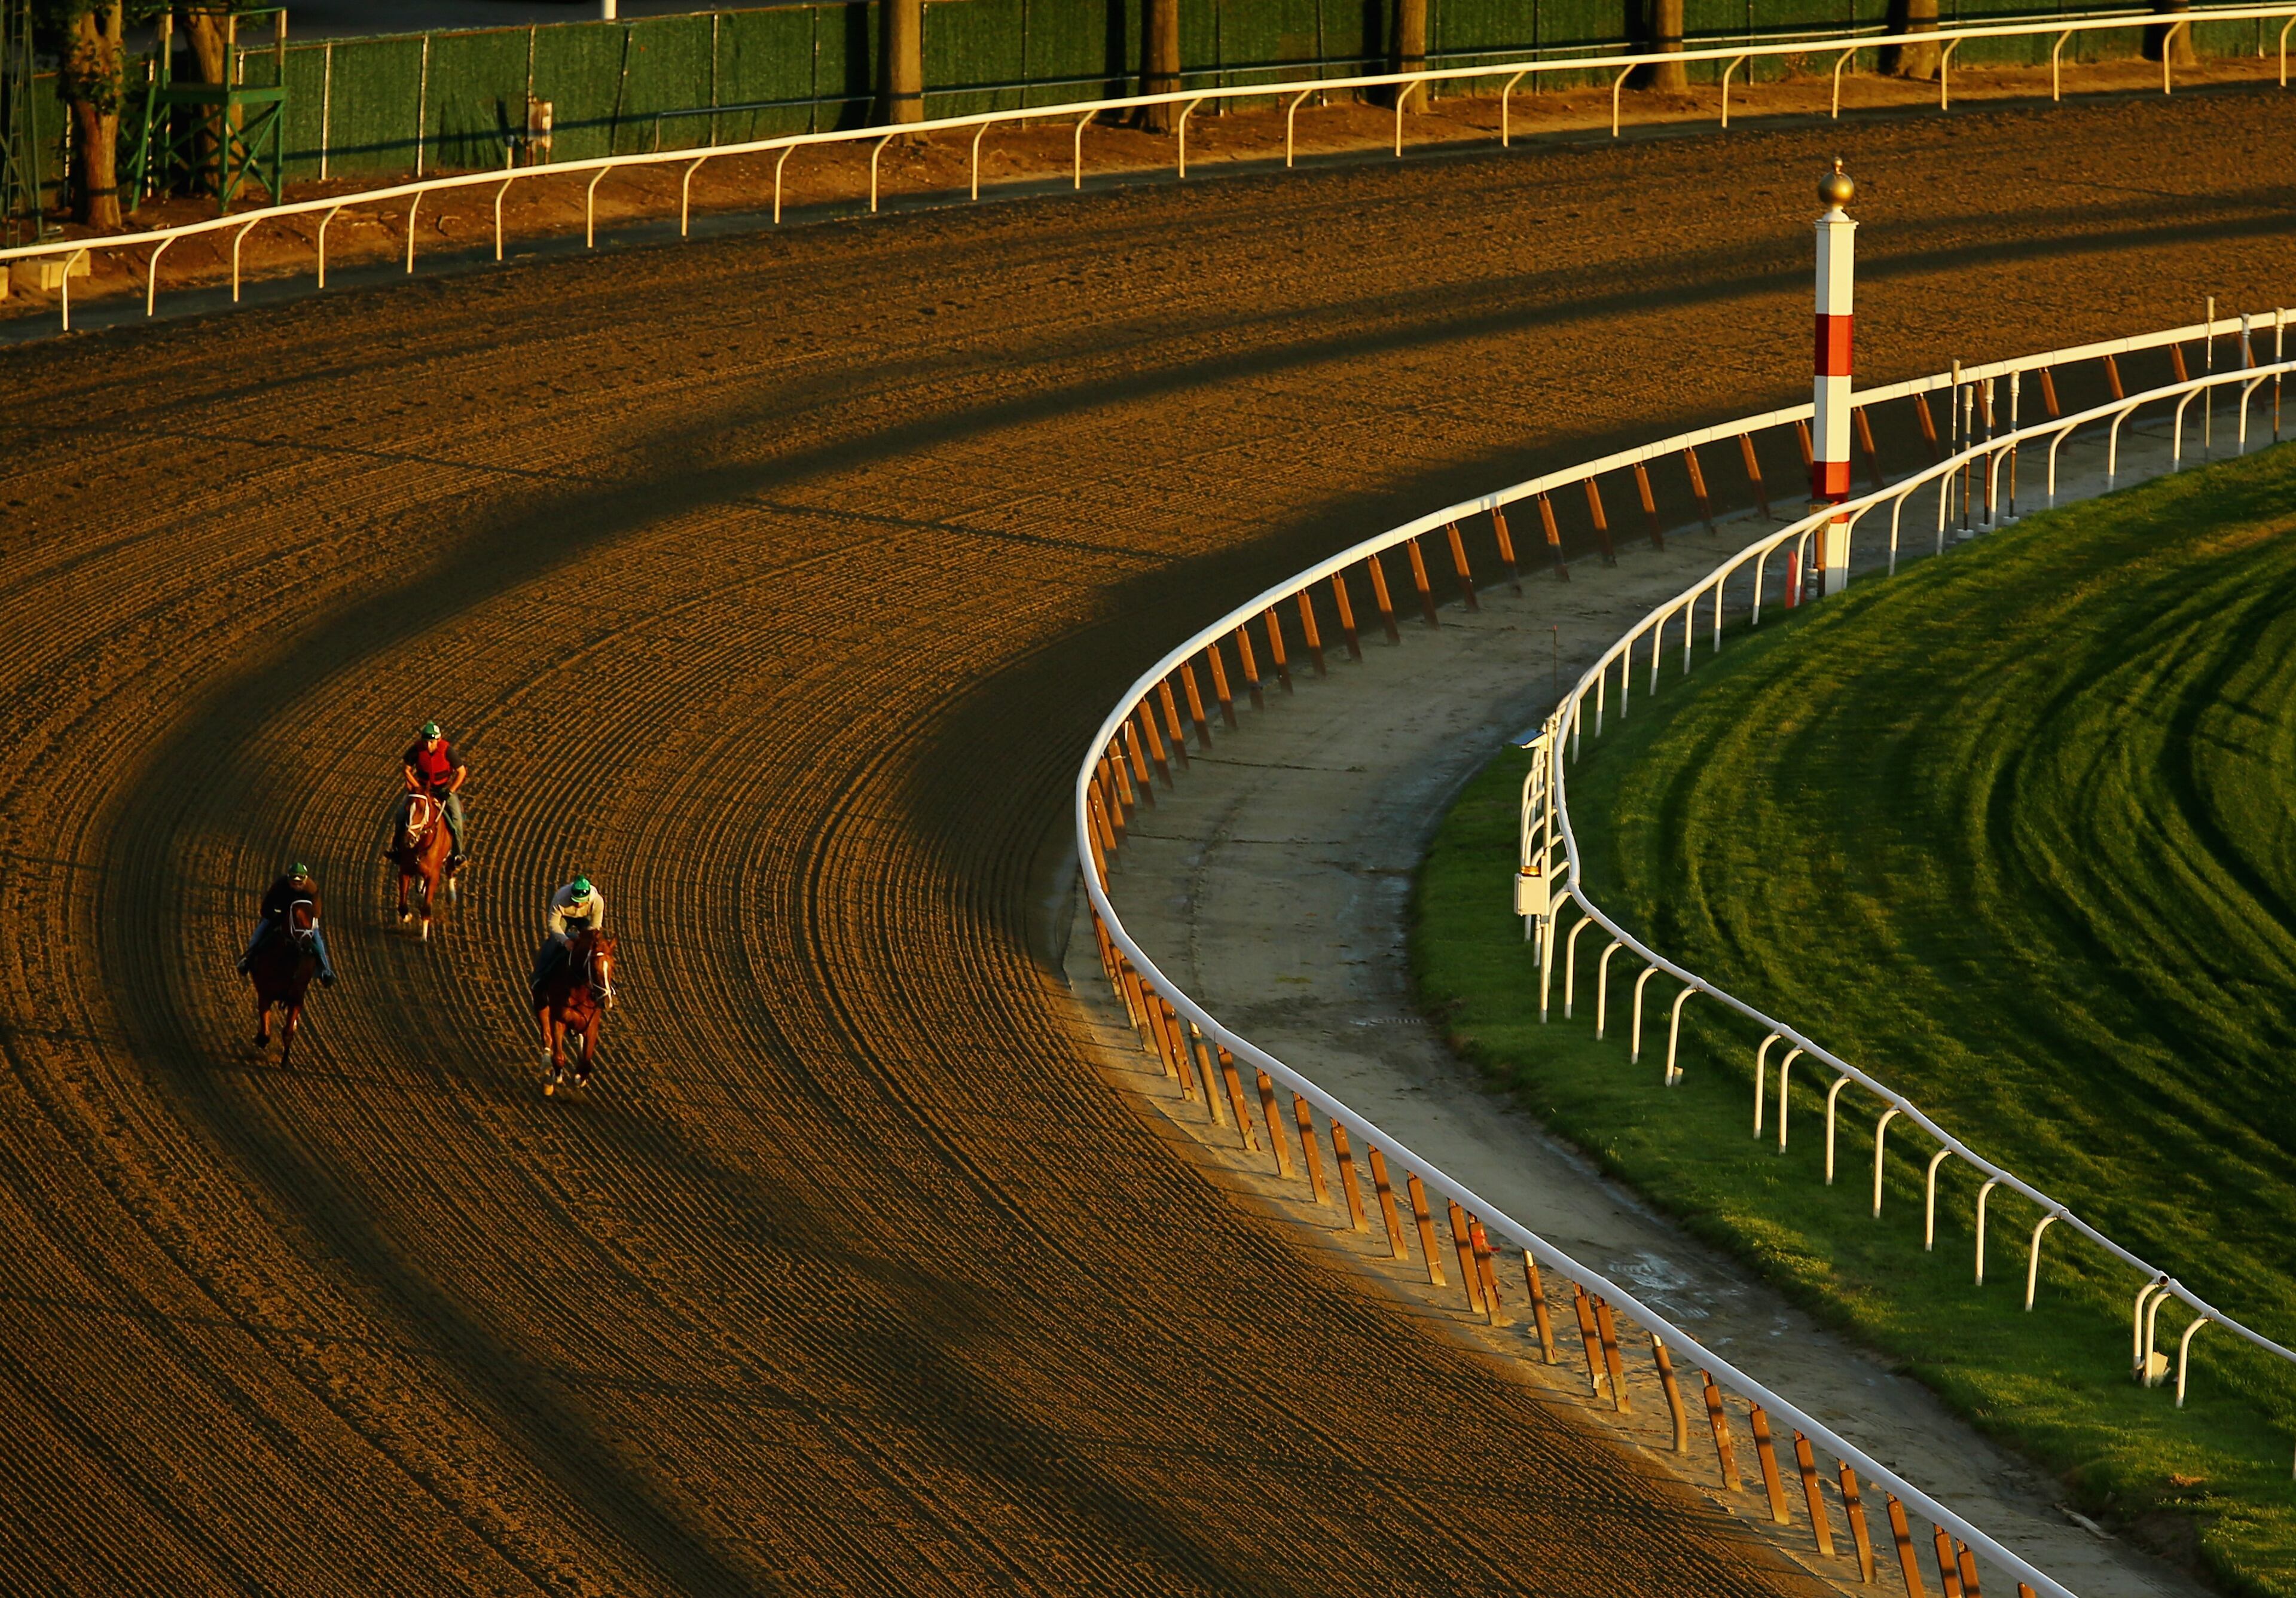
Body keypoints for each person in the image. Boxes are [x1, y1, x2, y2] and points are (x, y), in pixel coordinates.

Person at [237, 862, 337, 986]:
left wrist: (307, 922)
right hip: (281, 914)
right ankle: (248, 960)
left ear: (305, 880)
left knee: (317, 937)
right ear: (288, 879)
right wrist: (275, 915)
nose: (296, 886)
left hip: (306, 919)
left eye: (299, 884)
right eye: (293, 883)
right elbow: (266, 906)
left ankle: (326, 971)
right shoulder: (280, 885)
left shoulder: (311, 889)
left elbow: (316, 913)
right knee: (260, 931)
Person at [395, 721, 469, 869]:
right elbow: (406, 770)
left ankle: (458, 854)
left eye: (431, 742)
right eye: (426, 742)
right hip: (422, 790)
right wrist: (416, 787)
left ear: (438, 740)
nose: (428, 746)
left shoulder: (448, 751)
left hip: (443, 790)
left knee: (457, 818)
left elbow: (461, 772)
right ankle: (397, 850)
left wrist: (451, 790)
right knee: (400, 814)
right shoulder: (416, 750)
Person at [530, 874, 606, 1000]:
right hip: (564, 917)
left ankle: (601, 984)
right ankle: (539, 977)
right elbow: (553, 923)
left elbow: (595, 926)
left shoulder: (598, 902)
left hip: (584, 919)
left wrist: (585, 941)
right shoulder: (561, 898)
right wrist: (566, 941)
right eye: (575, 900)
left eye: (582, 901)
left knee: (594, 947)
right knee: (553, 942)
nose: (578, 904)